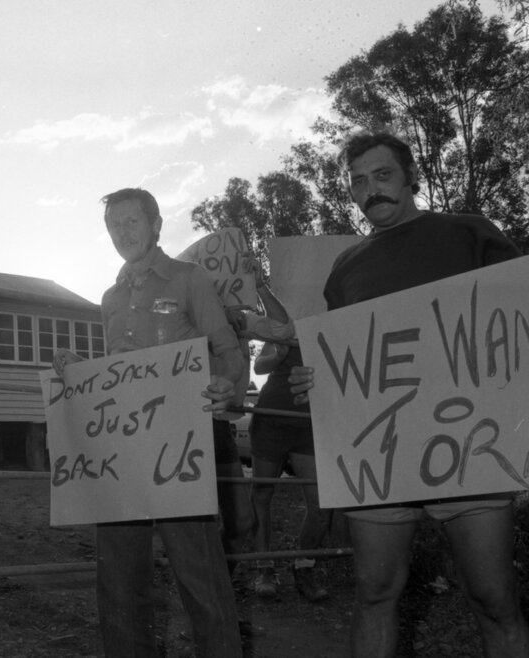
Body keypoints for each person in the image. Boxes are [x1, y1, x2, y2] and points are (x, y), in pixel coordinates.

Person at [289, 131, 529, 657]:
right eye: (357, 182)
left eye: (382, 175)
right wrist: (315, 380)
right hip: (379, 456)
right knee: (375, 593)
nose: (370, 190)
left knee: (493, 597)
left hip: (470, 444)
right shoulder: (345, 267)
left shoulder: (469, 233)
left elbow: (515, 328)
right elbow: (345, 356)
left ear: (410, 177)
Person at [56, 187, 246, 657]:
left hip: (181, 449)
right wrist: (80, 371)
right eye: (114, 225)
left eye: (132, 222)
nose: (122, 232)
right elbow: (118, 377)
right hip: (123, 458)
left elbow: (228, 351)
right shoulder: (109, 297)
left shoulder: (190, 279)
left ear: (156, 224)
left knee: (200, 579)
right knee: (118, 583)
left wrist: (228, 387)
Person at [244, 257, 331, 603]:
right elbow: (260, 365)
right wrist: (280, 354)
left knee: (322, 504)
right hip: (270, 421)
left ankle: (304, 567)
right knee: (261, 495)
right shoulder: (287, 327)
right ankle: (263, 568)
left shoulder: (336, 327)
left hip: (309, 426)